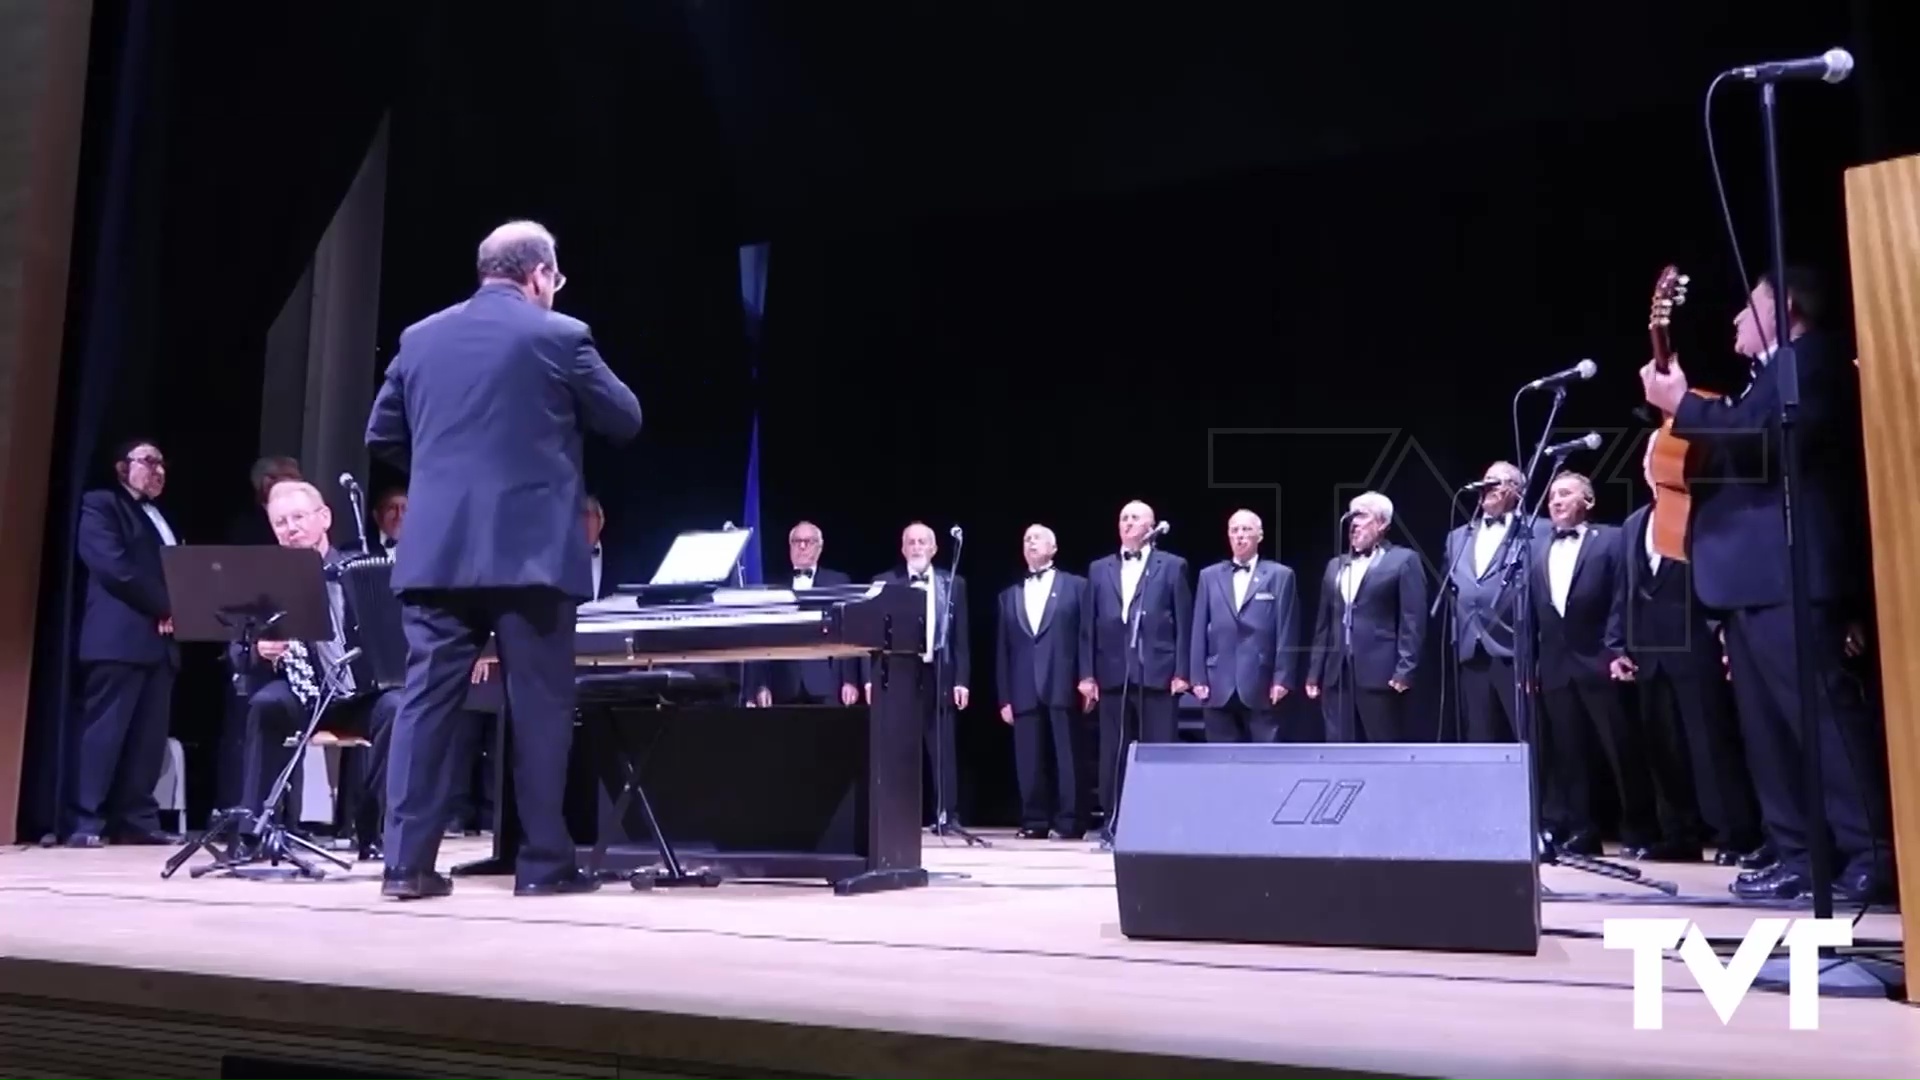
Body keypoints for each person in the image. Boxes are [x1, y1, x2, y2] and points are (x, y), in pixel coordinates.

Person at [366, 220, 643, 900]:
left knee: (426, 704)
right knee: (541, 707)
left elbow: (381, 434)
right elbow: (625, 417)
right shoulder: (560, 337)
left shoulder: (419, 338)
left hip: (439, 552)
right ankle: (543, 865)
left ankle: (406, 867)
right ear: (540, 275)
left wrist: (444, 479)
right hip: (531, 556)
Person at [1640, 267, 1889, 902]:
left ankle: (1871, 852)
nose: (1734, 321)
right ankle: (1799, 852)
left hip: (1791, 577)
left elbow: (1769, 443)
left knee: (1822, 723)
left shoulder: (1815, 360)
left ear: (1789, 308)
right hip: (1748, 584)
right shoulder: (1761, 380)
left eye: (1749, 307)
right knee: (1769, 732)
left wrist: (1685, 406)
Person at [232, 480, 397, 860]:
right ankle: (252, 831)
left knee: (398, 707)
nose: (290, 528)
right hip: (300, 693)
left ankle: (370, 825)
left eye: (298, 518)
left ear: (324, 518)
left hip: (359, 697)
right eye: (280, 523)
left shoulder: (358, 571)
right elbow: (238, 655)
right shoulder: (265, 581)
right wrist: (259, 648)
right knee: (265, 705)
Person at [68, 439, 180, 847]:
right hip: (118, 638)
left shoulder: (161, 517)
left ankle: (137, 819)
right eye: (148, 461)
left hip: (161, 642)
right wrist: (167, 606)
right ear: (120, 468)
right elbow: (115, 568)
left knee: (147, 739)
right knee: (105, 732)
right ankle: (86, 820)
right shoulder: (101, 505)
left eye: (162, 463)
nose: (158, 470)